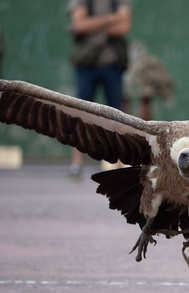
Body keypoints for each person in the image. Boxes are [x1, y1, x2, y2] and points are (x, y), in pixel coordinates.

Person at [68, 0, 132, 178]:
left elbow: (123, 27)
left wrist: (93, 25)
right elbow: (80, 25)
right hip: (86, 65)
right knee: (79, 113)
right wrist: (112, 18)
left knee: (119, 116)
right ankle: (77, 163)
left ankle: (121, 163)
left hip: (113, 65)